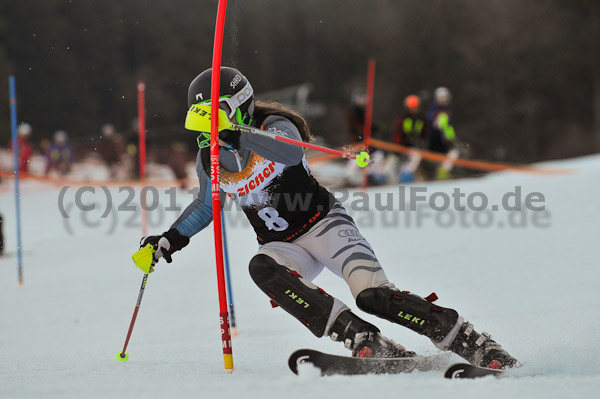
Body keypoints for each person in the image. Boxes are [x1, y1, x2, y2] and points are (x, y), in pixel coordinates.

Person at [137, 67, 517, 369]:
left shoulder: (273, 127)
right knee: (262, 268)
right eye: (199, 123)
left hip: (325, 226)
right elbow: (206, 206)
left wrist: (236, 136)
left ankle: (467, 339)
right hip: (282, 246)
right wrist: (169, 239)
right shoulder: (211, 159)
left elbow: (286, 154)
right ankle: (360, 337)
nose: (206, 133)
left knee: (372, 296)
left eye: (211, 119)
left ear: (237, 107)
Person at [426, 87, 459, 180]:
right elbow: (435, 124)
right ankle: (441, 173)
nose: (444, 100)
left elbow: (448, 127)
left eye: (445, 97)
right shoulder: (435, 110)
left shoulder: (447, 110)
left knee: (453, 153)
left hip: (444, 140)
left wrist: (452, 137)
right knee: (445, 156)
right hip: (436, 139)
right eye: (442, 97)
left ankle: (443, 172)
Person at [394, 95, 428, 182]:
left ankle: (415, 175)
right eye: (412, 107)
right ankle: (405, 175)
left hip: (416, 146)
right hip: (404, 146)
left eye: (416, 107)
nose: (414, 109)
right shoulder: (404, 119)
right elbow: (402, 133)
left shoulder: (421, 119)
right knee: (416, 156)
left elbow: (424, 132)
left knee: (419, 157)